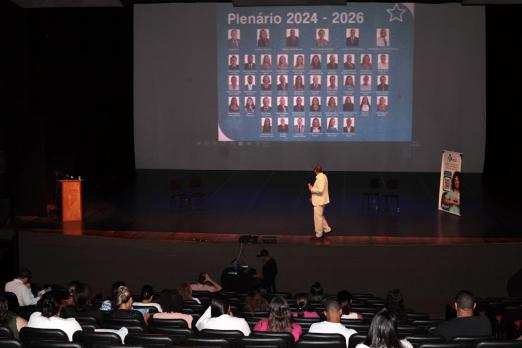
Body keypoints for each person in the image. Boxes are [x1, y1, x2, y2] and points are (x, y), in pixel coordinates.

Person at [308, 165, 331, 239]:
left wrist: (311, 189)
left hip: (319, 201)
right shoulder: (323, 176)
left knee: (317, 217)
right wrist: (312, 197)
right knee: (320, 216)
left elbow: (320, 190)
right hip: (320, 200)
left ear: (315, 170)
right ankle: (327, 229)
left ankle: (319, 234)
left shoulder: (320, 178)